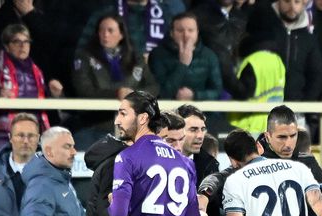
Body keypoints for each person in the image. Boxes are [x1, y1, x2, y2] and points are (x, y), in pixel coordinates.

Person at [71, 14, 159, 147]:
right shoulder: (84, 56)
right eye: (101, 30)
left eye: (110, 30)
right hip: (95, 125)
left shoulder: (136, 58)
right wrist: (116, 93)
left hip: (132, 128)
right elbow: (84, 90)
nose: (105, 34)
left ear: (121, 34)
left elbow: (154, 86)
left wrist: (135, 96)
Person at [0, 24, 61, 149]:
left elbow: (41, 99)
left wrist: (53, 94)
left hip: (32, 132)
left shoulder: (37, 68)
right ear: (6, 45)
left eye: (26, 41)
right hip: (3, 135)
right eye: (17, 41)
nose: (23, 46)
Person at [246, 0, 322, 101]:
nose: (292, 6)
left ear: (303, 4)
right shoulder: (263, 31)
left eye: (297, 2)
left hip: (297, 109)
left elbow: (317, 75)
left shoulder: (308, 39)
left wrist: (305, 104)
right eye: (287, 1)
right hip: (262, 105)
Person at [148, 12, 223, 101]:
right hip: (168, 110)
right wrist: (183, 64)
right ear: (171, 33)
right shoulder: (158, 54)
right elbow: (161, 93)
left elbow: (217, 92)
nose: (186, 35)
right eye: (180, 30)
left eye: (190, 30)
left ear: (197, 33)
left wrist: (195, 96)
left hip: (202, 111)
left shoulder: (209, 56)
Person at [76, 0, 177, 57]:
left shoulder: (165, 13)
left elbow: (174, 50)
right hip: (113, 80)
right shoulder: (106, 11)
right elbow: (83, 51)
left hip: (156, 80)